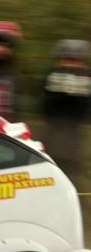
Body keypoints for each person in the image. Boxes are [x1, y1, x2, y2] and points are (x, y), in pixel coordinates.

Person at [40, 39, 91, 183]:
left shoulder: (86, 80)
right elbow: (45, 110)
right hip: (51, 138)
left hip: (73, 142)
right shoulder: (51, 77)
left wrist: (78, 93)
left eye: (76, 60)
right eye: (68, 59)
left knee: (70, 180)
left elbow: (84, 114)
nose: (71, 64)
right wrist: (58, 92)